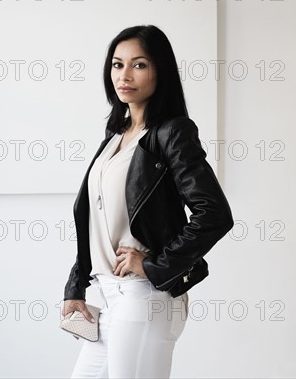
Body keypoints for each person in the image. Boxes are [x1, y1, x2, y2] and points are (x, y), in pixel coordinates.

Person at [61, 25, 234, 378]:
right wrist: (75, 286)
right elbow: (94, 221)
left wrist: (155, 265)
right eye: (117, 64)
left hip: (144, 297)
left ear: (161, 71)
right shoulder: (115, 136)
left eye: (139, 65)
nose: (124, 75)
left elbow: (214, 213)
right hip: (107, 296)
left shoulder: (172, 133)